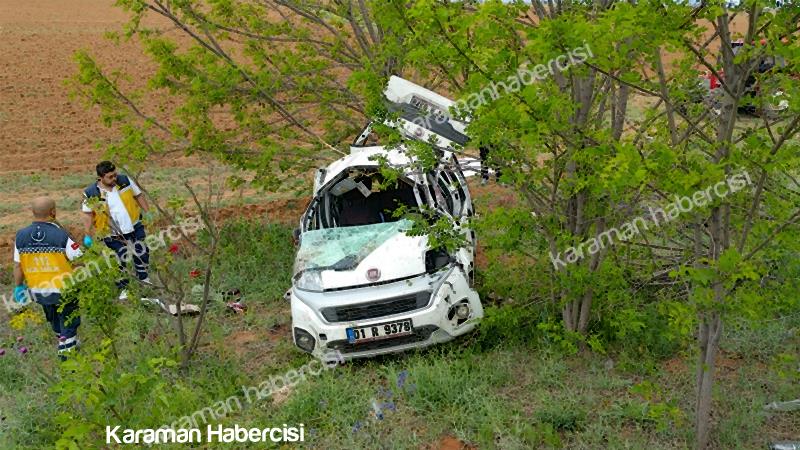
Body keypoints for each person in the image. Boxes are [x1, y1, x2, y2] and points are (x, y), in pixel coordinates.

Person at [13, 197, 83, 358]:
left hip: (39, 289)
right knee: (69, 321)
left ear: (33, 212)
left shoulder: (21, 235)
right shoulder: (61, 234)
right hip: (64, 288)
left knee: (54, 319)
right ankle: (66, 358)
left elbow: (18, 265)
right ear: (53, 212)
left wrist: (19, 286)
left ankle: (65, 343)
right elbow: (78, 258)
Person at [81, 161, 152, 299]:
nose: (114, 178)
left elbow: (138, 195)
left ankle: (144, 279)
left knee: (142, 252)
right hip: (110, 234)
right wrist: (87, 234)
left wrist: (147, 211)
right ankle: (124, 289)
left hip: (134, 226)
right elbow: (87, 214)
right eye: (110, 177)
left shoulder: (124, 181)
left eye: (115, 175)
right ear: (100, 178)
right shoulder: (91, 193)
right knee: (119, 259)